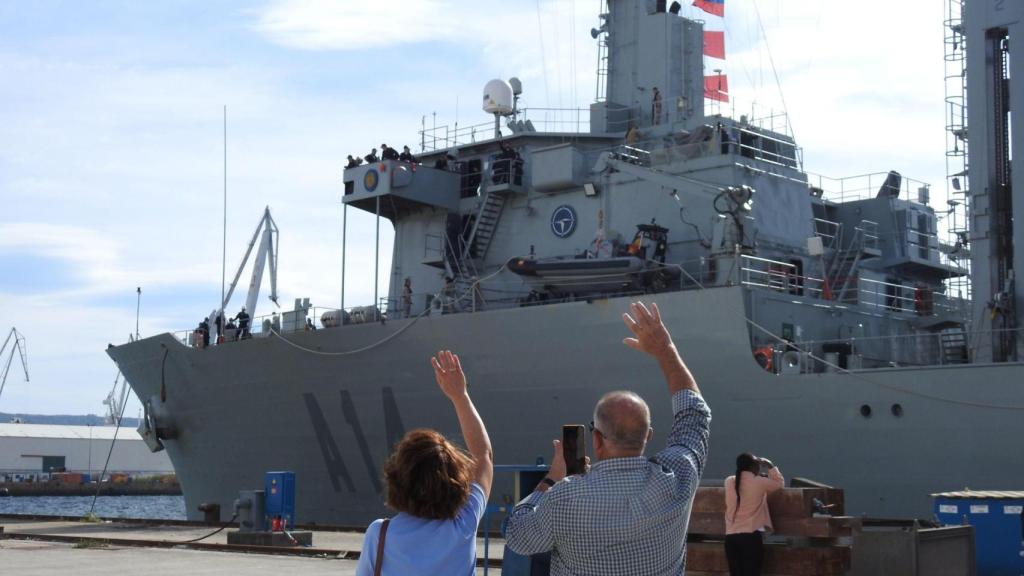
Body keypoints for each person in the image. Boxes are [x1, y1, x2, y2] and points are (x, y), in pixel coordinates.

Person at [505, 301, 711, 575]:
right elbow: (695, 414)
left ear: (597, 439)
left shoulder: (564, 496)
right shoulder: (678, 476)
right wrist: (666, 351)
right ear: (647, 436)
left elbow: (518, 537)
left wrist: (550, 481)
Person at [355, 350, 493, 576]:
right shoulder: (463, 525)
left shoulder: (379, 534)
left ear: (397, 479)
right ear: (456, 481)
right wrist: (461, 397)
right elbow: (483, 456)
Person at [724, 453, 784, 576]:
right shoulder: (759, 482)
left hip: (731, 538)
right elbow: (779, 484)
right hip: (750, 537)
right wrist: (771, 466)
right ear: (753, 467)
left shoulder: (729, 481)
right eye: (758, 464)